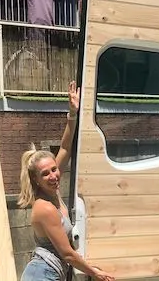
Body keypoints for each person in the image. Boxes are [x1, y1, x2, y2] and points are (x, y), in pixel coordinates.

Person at [18, 81, 115, 281]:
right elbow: (67, 254)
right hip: (42, 275)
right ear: (36, 180)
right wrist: (95, 272)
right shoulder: (43, 207)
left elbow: (64, 148)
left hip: (50, 274)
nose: (53, 176)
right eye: (45, 173)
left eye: (54, 169)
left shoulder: (51, 188)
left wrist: (72, 113)